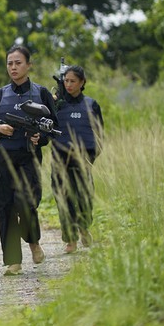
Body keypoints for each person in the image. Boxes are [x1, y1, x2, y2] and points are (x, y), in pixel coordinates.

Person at [0, 45, 56, 276]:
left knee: (26, 203)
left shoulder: (42, 93)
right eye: (10, 63)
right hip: (4, 158)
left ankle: (33, 242)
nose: (14, 67)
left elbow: (55, 126)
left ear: (29, 65)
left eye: (18, 63)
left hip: (29, 156)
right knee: (4, 204)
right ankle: (13, 261)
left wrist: (41, 137)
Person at [51, 65, 103, 254]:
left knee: (84, 197)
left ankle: (84, 227)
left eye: (73, 81)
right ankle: (70, 240)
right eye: (66, 81)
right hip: (60, 160)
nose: (69, 84)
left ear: (82, 83)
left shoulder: (91, 104)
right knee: (63, 198)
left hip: (83, 160)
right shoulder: (56, 104)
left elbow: (99, 134)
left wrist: (92, 156)